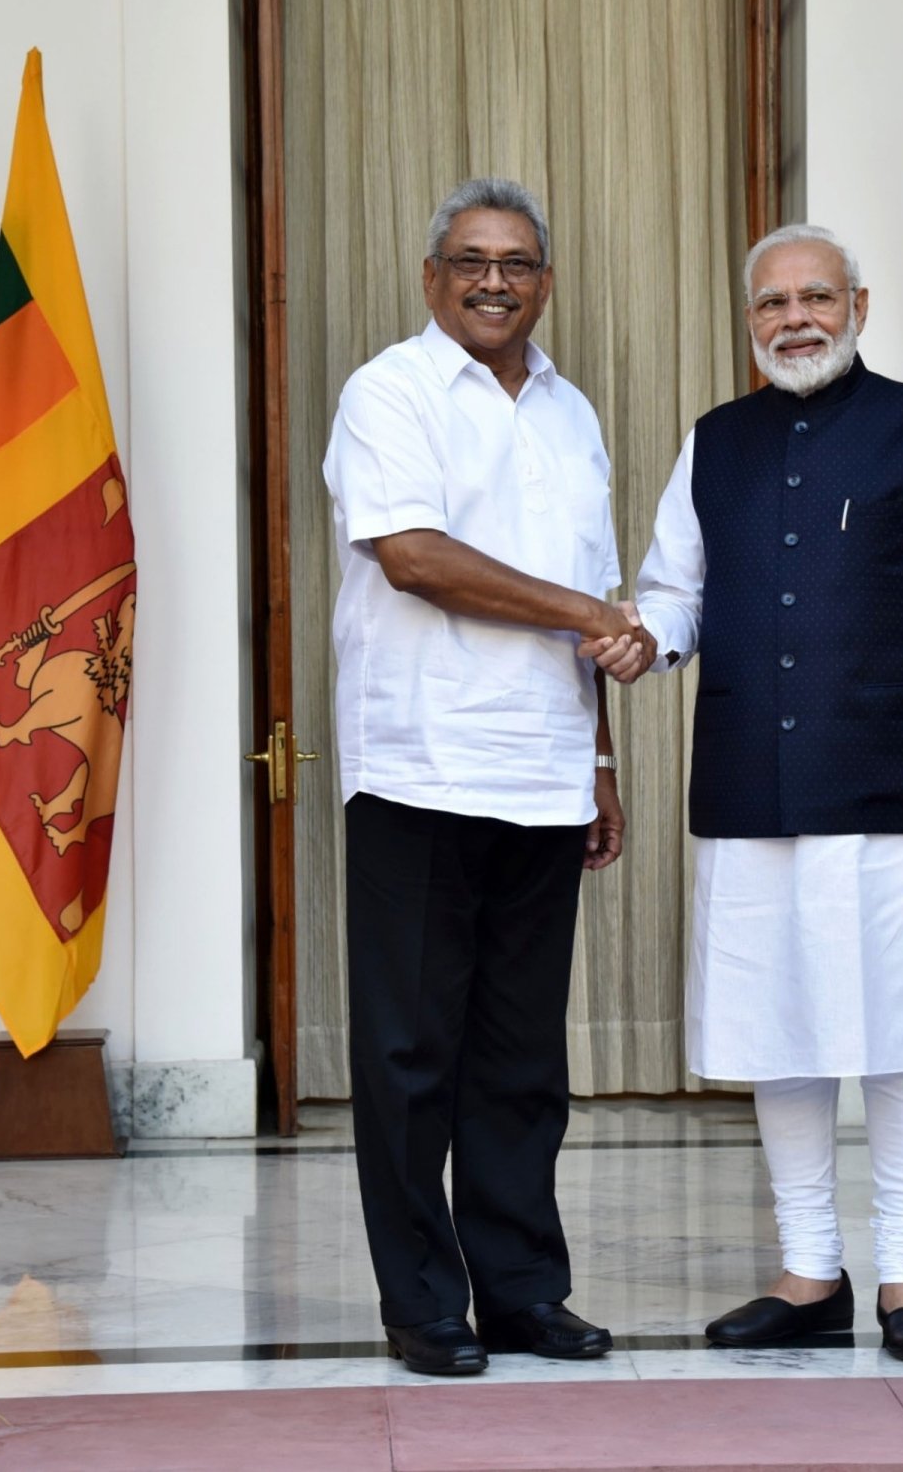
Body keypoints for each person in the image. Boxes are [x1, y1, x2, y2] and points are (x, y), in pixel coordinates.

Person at [589, 223, 903, 1363]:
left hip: (897, 796)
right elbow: (676, 590)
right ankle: (807, 1271)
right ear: (749, 321)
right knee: (778, 1032)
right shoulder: (713, 443)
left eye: (816, 296)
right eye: (771, 303)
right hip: (751, 790)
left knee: (901, 1036)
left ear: (859, 304)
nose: (795, 317)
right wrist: (647, 639)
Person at [322, 177, 638, 1376]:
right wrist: (589, 613)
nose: (494, 279)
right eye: (470, 260)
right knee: (411, 1058)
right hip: (421, 766)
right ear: (430, 277)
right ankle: (422, 1304)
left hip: (546, 776)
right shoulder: (389, 391)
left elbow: (592, 607)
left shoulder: (571, 411)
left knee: (519, 1060)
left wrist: (600, 756)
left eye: (515, 262)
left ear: (545, 282)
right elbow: (413, 557)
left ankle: (521, 1292)